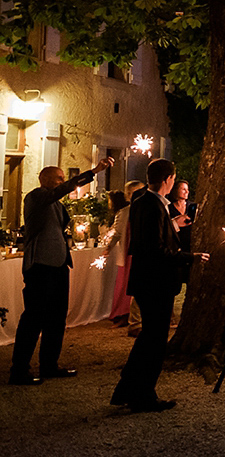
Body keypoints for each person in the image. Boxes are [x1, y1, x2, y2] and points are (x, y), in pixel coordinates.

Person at [111, 158, 209, 411]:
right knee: (154, 342)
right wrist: (190, 257)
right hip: (155, 282)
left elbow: (153, 238)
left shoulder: (146, 202)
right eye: (173, 179)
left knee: (148, 338)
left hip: (150, 281)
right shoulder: (151, 205)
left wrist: (174, 227)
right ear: (168, 179)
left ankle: (126, 390)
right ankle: (143, 396)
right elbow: (155, 249)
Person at [9, 156, 114, 386]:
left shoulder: (56, 204)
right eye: (59, 178)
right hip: (40, 266)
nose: (62, 182)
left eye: (63, 179)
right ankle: (19, 370)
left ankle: (49, 364)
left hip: (58, 266)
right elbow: (60, 192)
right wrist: (94, 171)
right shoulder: (37, 197)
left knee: (57, 317)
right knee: (34, 317)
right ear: (44, 179)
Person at [106, 181, 142, 326]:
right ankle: (122, 313)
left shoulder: (146, 209)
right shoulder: (125, 212)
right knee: (125, 284)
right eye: (129, 193)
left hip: (141, 251)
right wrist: (108, 248)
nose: (131, 196)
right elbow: (117, 232)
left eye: (135, 192)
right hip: (128, 253)